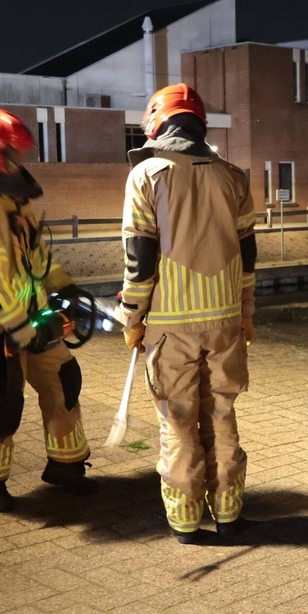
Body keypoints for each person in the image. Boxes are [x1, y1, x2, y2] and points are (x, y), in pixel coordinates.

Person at [114, 83, 257, 543]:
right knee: (222, 414)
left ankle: (186, 520)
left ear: (158, 121)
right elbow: (248, 255)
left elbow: (140, 256)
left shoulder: (148, 174)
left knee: (177, 420)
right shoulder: (234, 177)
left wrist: (133, 318)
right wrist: (246, 313)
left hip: (169, 324)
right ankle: (229, 511)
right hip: (226, 319)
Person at [0, 108, 97, 513]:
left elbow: (36, 256)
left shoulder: (15, 202)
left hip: (31, 319)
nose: (20, 163)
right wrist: (18, 326)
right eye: (14, 154)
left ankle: (66, 467)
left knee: (63, 381)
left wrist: (63, 286)